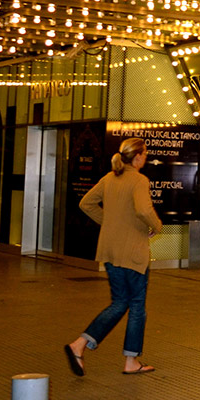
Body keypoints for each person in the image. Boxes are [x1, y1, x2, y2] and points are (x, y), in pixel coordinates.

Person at [64, 137, 163, 376]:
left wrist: (109, 222)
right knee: (137, 305)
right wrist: (156, 226)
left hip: (110, 249)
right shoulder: (139, 180)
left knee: (119, 302)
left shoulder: (109, 178)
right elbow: (143, 210)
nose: (146, 158)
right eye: (145, 154)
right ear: (137, 157)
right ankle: (131, 361)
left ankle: (79, 344)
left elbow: (86, 203)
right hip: (133, 252)